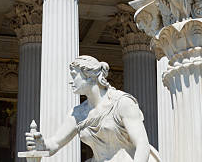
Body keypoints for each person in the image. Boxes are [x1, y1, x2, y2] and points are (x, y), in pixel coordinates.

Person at [25, 55, 159, 161]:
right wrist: (41, 144)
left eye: (74, 76)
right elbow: (55, 143)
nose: (71, 81)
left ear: (89, 76)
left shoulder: (122, 103)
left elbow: (142, 144)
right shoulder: (77, 114)